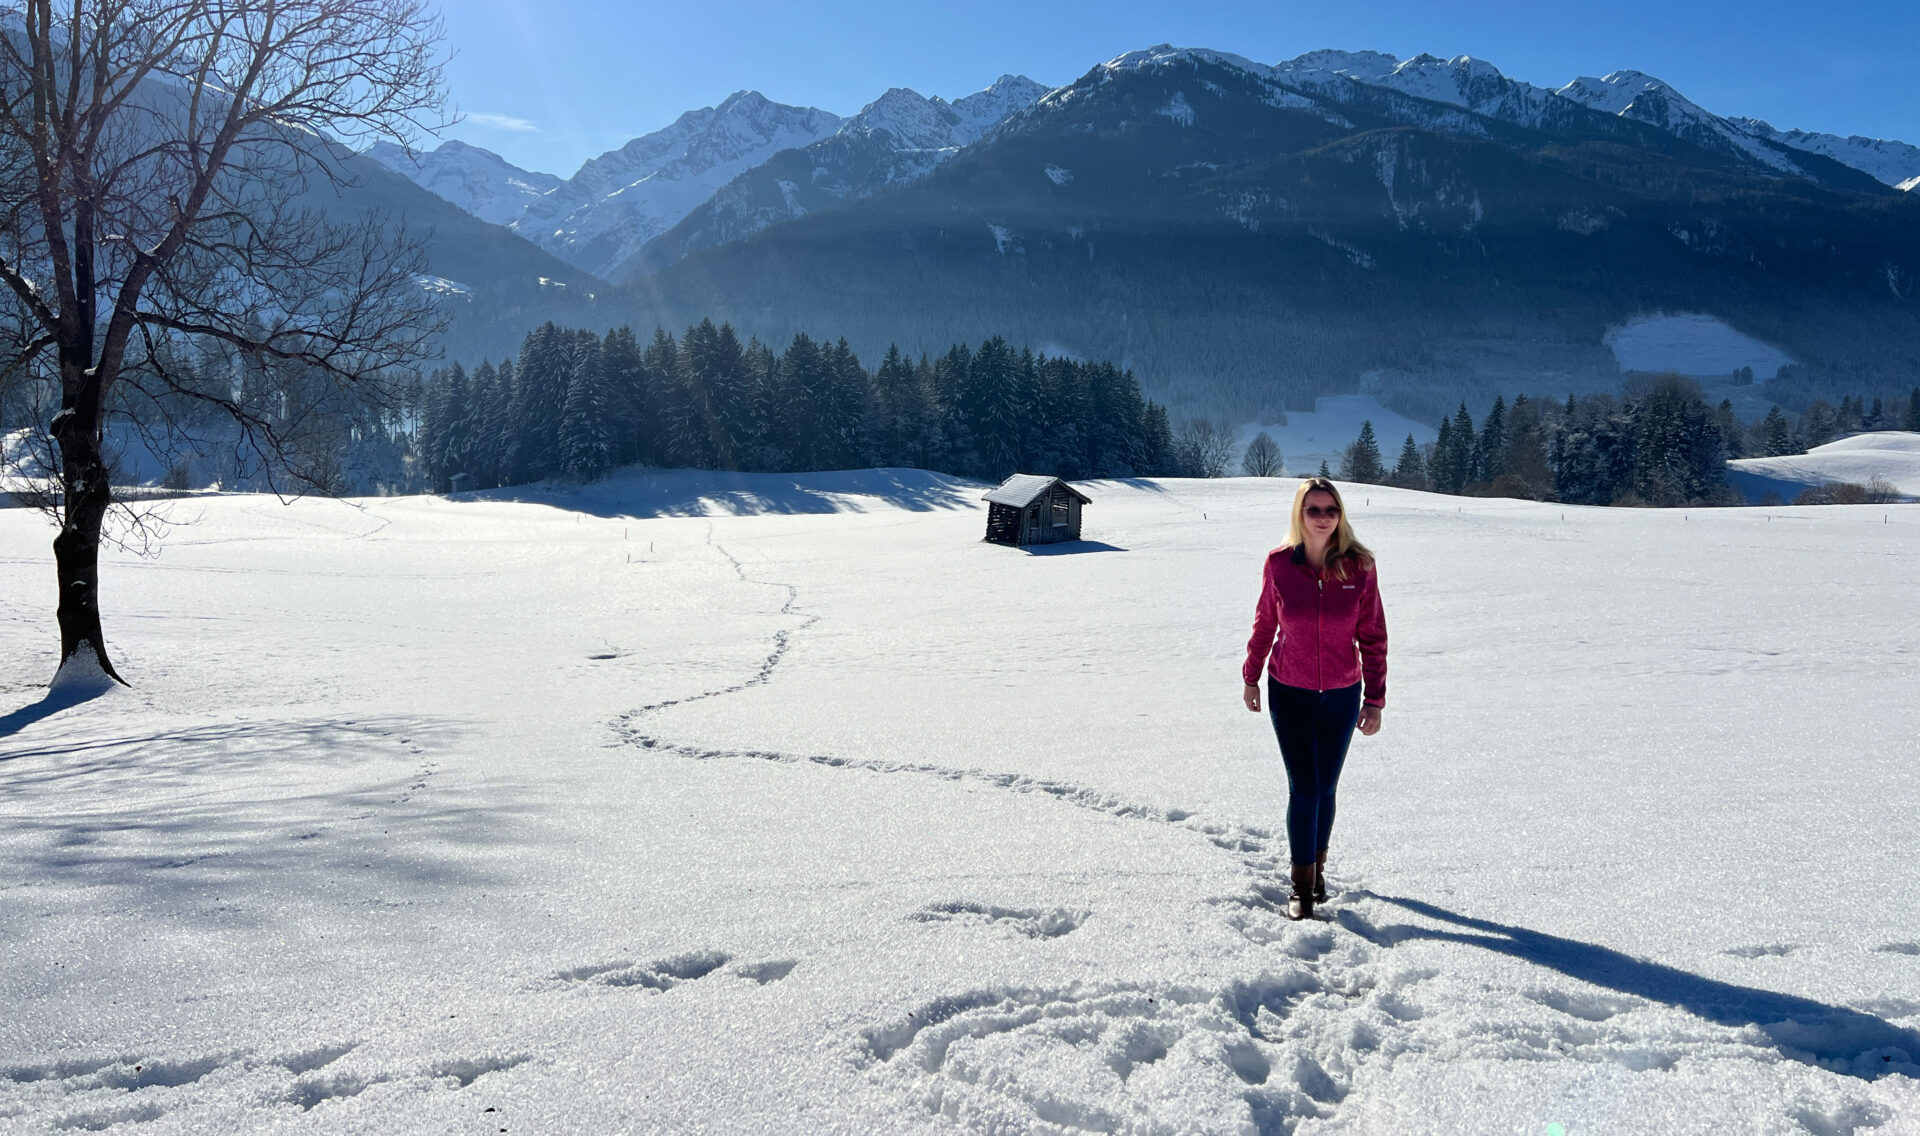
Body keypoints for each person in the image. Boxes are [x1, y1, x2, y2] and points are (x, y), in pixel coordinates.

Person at [1241, 476, 1387, 921]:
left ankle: (1318, 869)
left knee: (1326, 788)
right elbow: (1266, 622)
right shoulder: (1280, 564)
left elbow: (1374, 636)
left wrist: (1375, 700)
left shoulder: (1359, 566)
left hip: (1343, 695)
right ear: (1299, 515)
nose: (1323, 518)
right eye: (1314, 510)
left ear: (1340, 515)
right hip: (1290, 692)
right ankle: (1301, 886)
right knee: (1304, 788)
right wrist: (1251, 676)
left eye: (1331, 510)